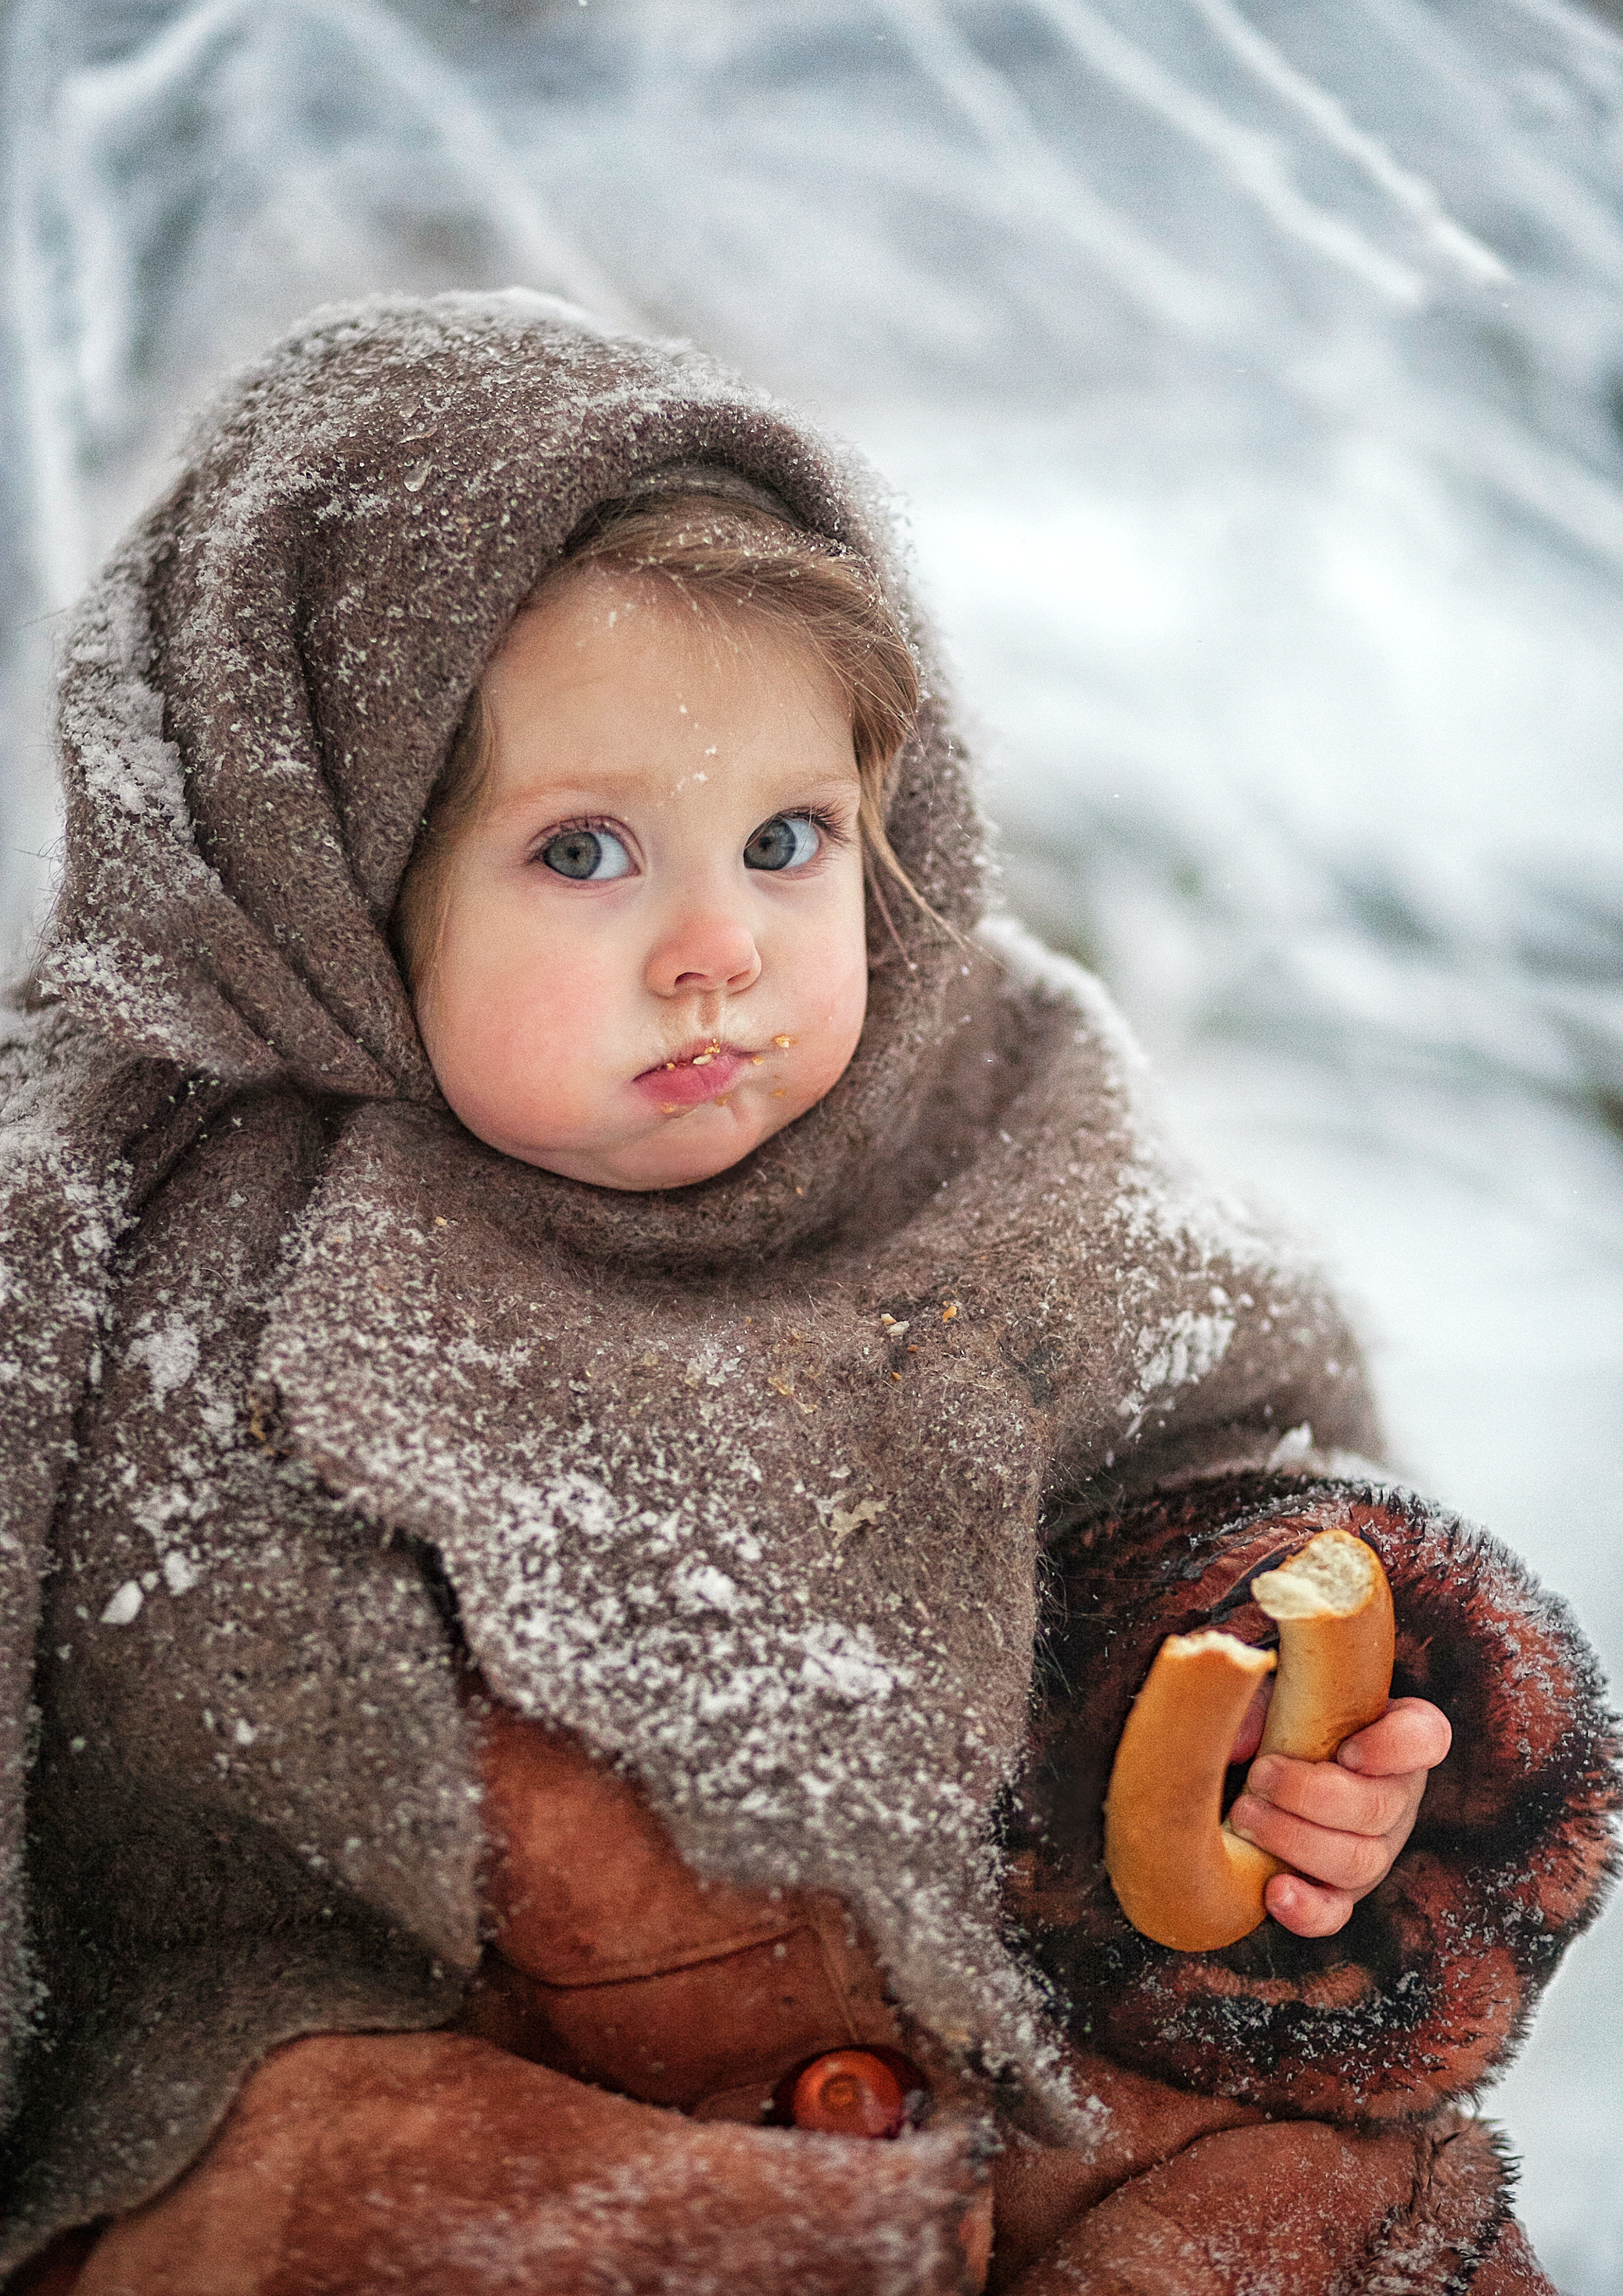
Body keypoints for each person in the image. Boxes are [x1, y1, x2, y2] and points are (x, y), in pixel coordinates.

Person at [0, 291, 1612, 2293]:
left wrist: (1281, 1740)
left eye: (785, 840)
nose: (718, 952)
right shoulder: (113, 1229)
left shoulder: (996, 1121)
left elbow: (1208, 1452)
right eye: (584, 850)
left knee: (1304, 2226)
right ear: (318, 856)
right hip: (436, 2130)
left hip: (1013, 2070)